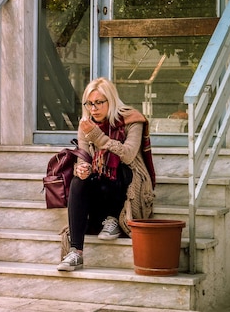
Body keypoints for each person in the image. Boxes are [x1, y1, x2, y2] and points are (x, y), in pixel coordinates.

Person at [57, 77, 156, 272]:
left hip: (128, 184)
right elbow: (84, 157)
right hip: (100, 187)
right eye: (89, 103)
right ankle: (76, 252)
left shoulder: (132, 120)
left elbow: (128, 155)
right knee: (79, 181)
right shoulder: (86, 124)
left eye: (99, 103)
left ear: (110, 101)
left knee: (116, 162)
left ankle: (114, 219)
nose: (93, 108)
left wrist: (97, 136)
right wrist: (82, 169)